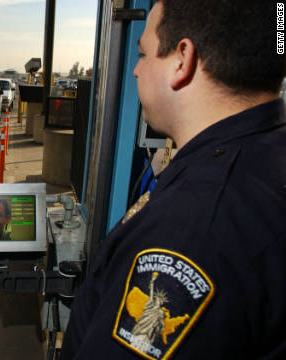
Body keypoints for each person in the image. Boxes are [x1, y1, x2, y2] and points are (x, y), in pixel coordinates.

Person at [61, 1, 286, 359]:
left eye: (143, 53)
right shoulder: (264, 157)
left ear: (182, 59)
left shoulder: (195, 226)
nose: (135, 71)